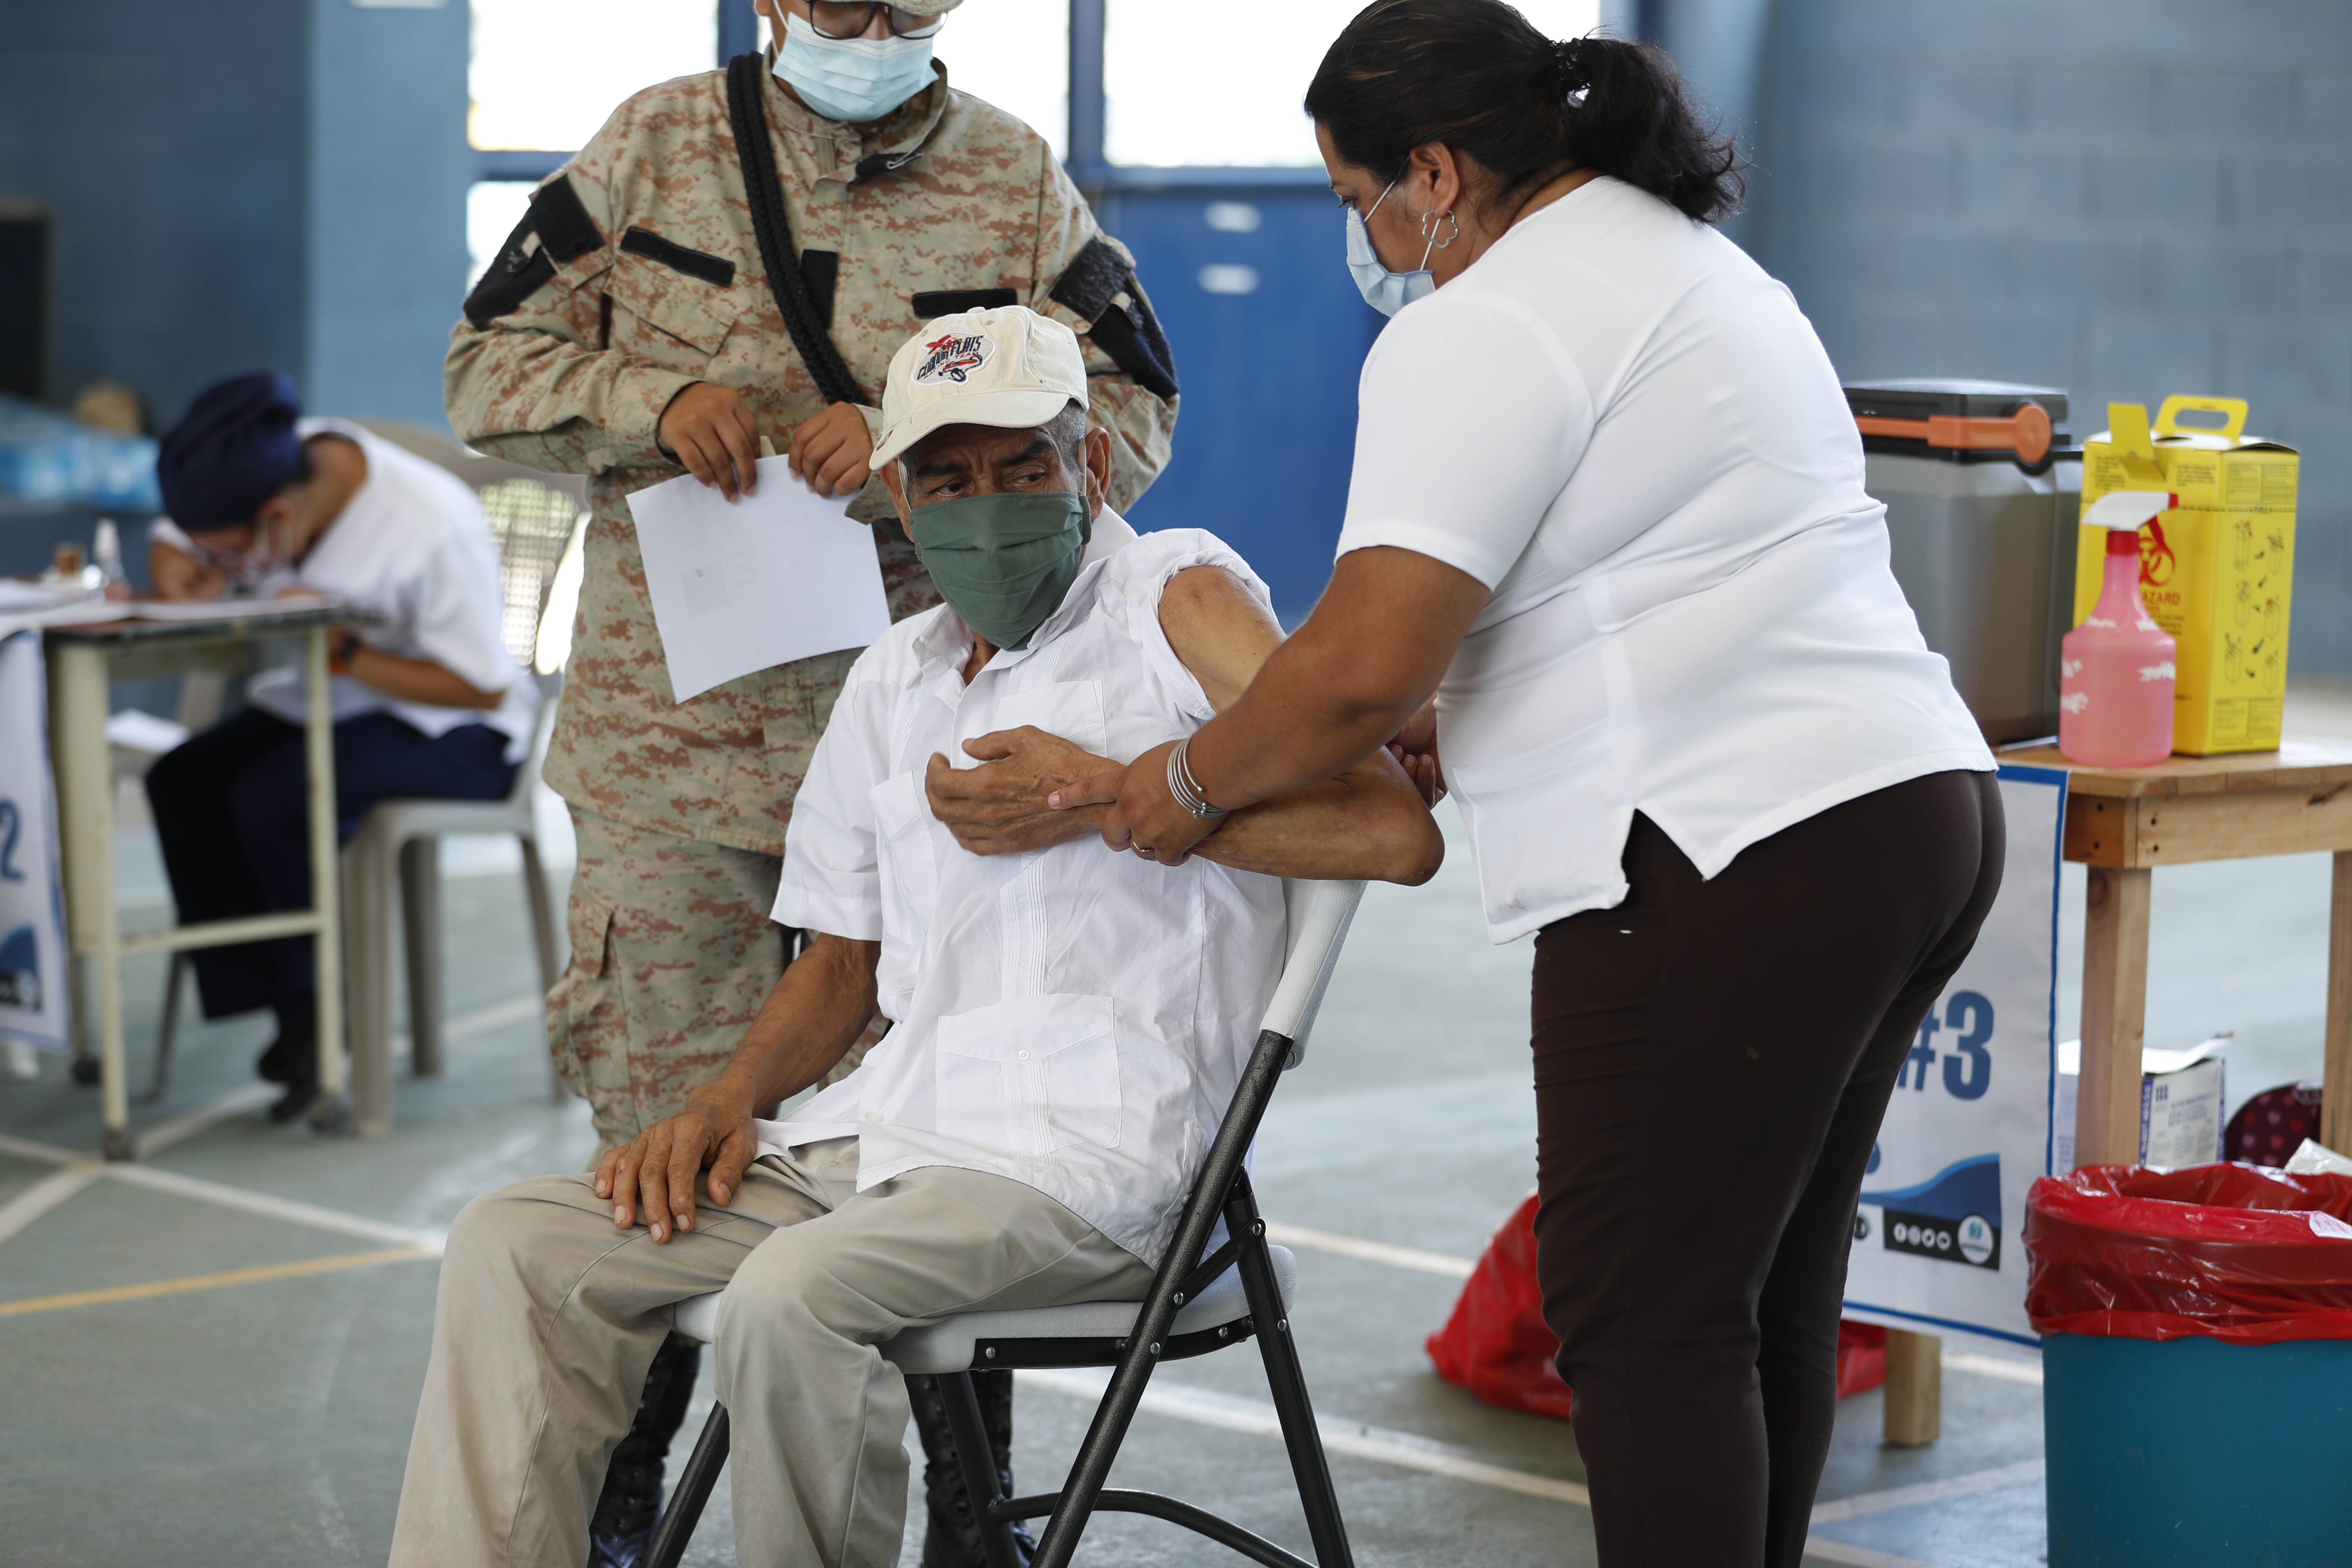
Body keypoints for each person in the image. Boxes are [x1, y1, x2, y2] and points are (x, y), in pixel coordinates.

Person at [1074, 8, 2007, 1565]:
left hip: (1731, 841)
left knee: (1642, 1315)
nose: (1362, 237)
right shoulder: (1680, 258)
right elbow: (1626, 561)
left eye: (1356, 197)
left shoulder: (1485, 319)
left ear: (1434, 172)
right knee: (1748, 1294)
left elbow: (1360, 664)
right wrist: (1476, 703)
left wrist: (1184, 776)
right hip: (1903, 809)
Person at [387, 306, 1441, 1568]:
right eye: (949, 478)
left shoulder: (1176, 594)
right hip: (886, 1131)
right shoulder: (893, 676)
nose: (985, 505)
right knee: (519, 1244)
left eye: (1022, 469)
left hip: (1093, 1154)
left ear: (1090, 465)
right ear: (896, 494)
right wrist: (730, 1096)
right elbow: (843, 961)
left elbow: (1389, 831)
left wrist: (1104, 791)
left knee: (794, 1301)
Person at [444, 3, 1182, 1554]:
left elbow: (1130, 409)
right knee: (662, 1151)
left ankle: (969, 1519)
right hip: (678, 758)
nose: (862, 25)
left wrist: (916, 429)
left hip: (936, 759)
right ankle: (612, 1509)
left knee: (944, 1147)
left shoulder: (1017, 181)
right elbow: (480, 368)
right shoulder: (654, 144)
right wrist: (648, 403)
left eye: (897, 1)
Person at [142, 372, 539, 1122]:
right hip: (332, 703)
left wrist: (346, 655)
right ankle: (272, 992)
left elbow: (480, 689)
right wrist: (176, 562)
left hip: (460, 731)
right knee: (182, 781)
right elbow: (180, 531)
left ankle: (314, 1024)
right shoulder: (263, 464)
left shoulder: (427, 527)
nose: (223, 572)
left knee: (275, 798)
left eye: (226, 559)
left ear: (277, 517)